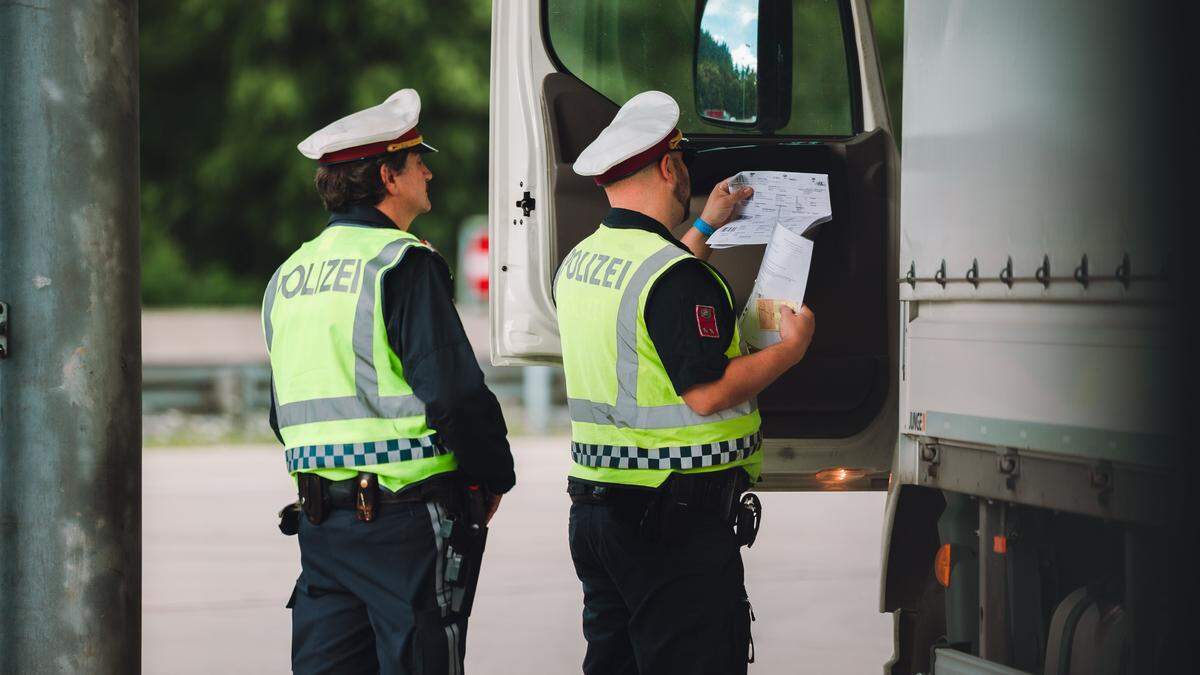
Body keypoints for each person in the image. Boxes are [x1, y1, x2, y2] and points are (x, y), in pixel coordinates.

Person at [555, 90, 817, 675]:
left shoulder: (581, 261)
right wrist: (791, 351)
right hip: (670, 521)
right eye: (683, 166)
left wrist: (704, 223)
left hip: (598, 512)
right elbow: (707, 393)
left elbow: (652, 305)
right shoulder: (677, 277)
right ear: (669, 167)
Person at [262, 88, 515, 675]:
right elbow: (453, 392)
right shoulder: (401, 262)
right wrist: (491, 476)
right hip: (406, 523)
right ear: (386, 176)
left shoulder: (289, 274)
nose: (428, 169)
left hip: (322, 525)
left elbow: (284, 411)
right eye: (416, 159)